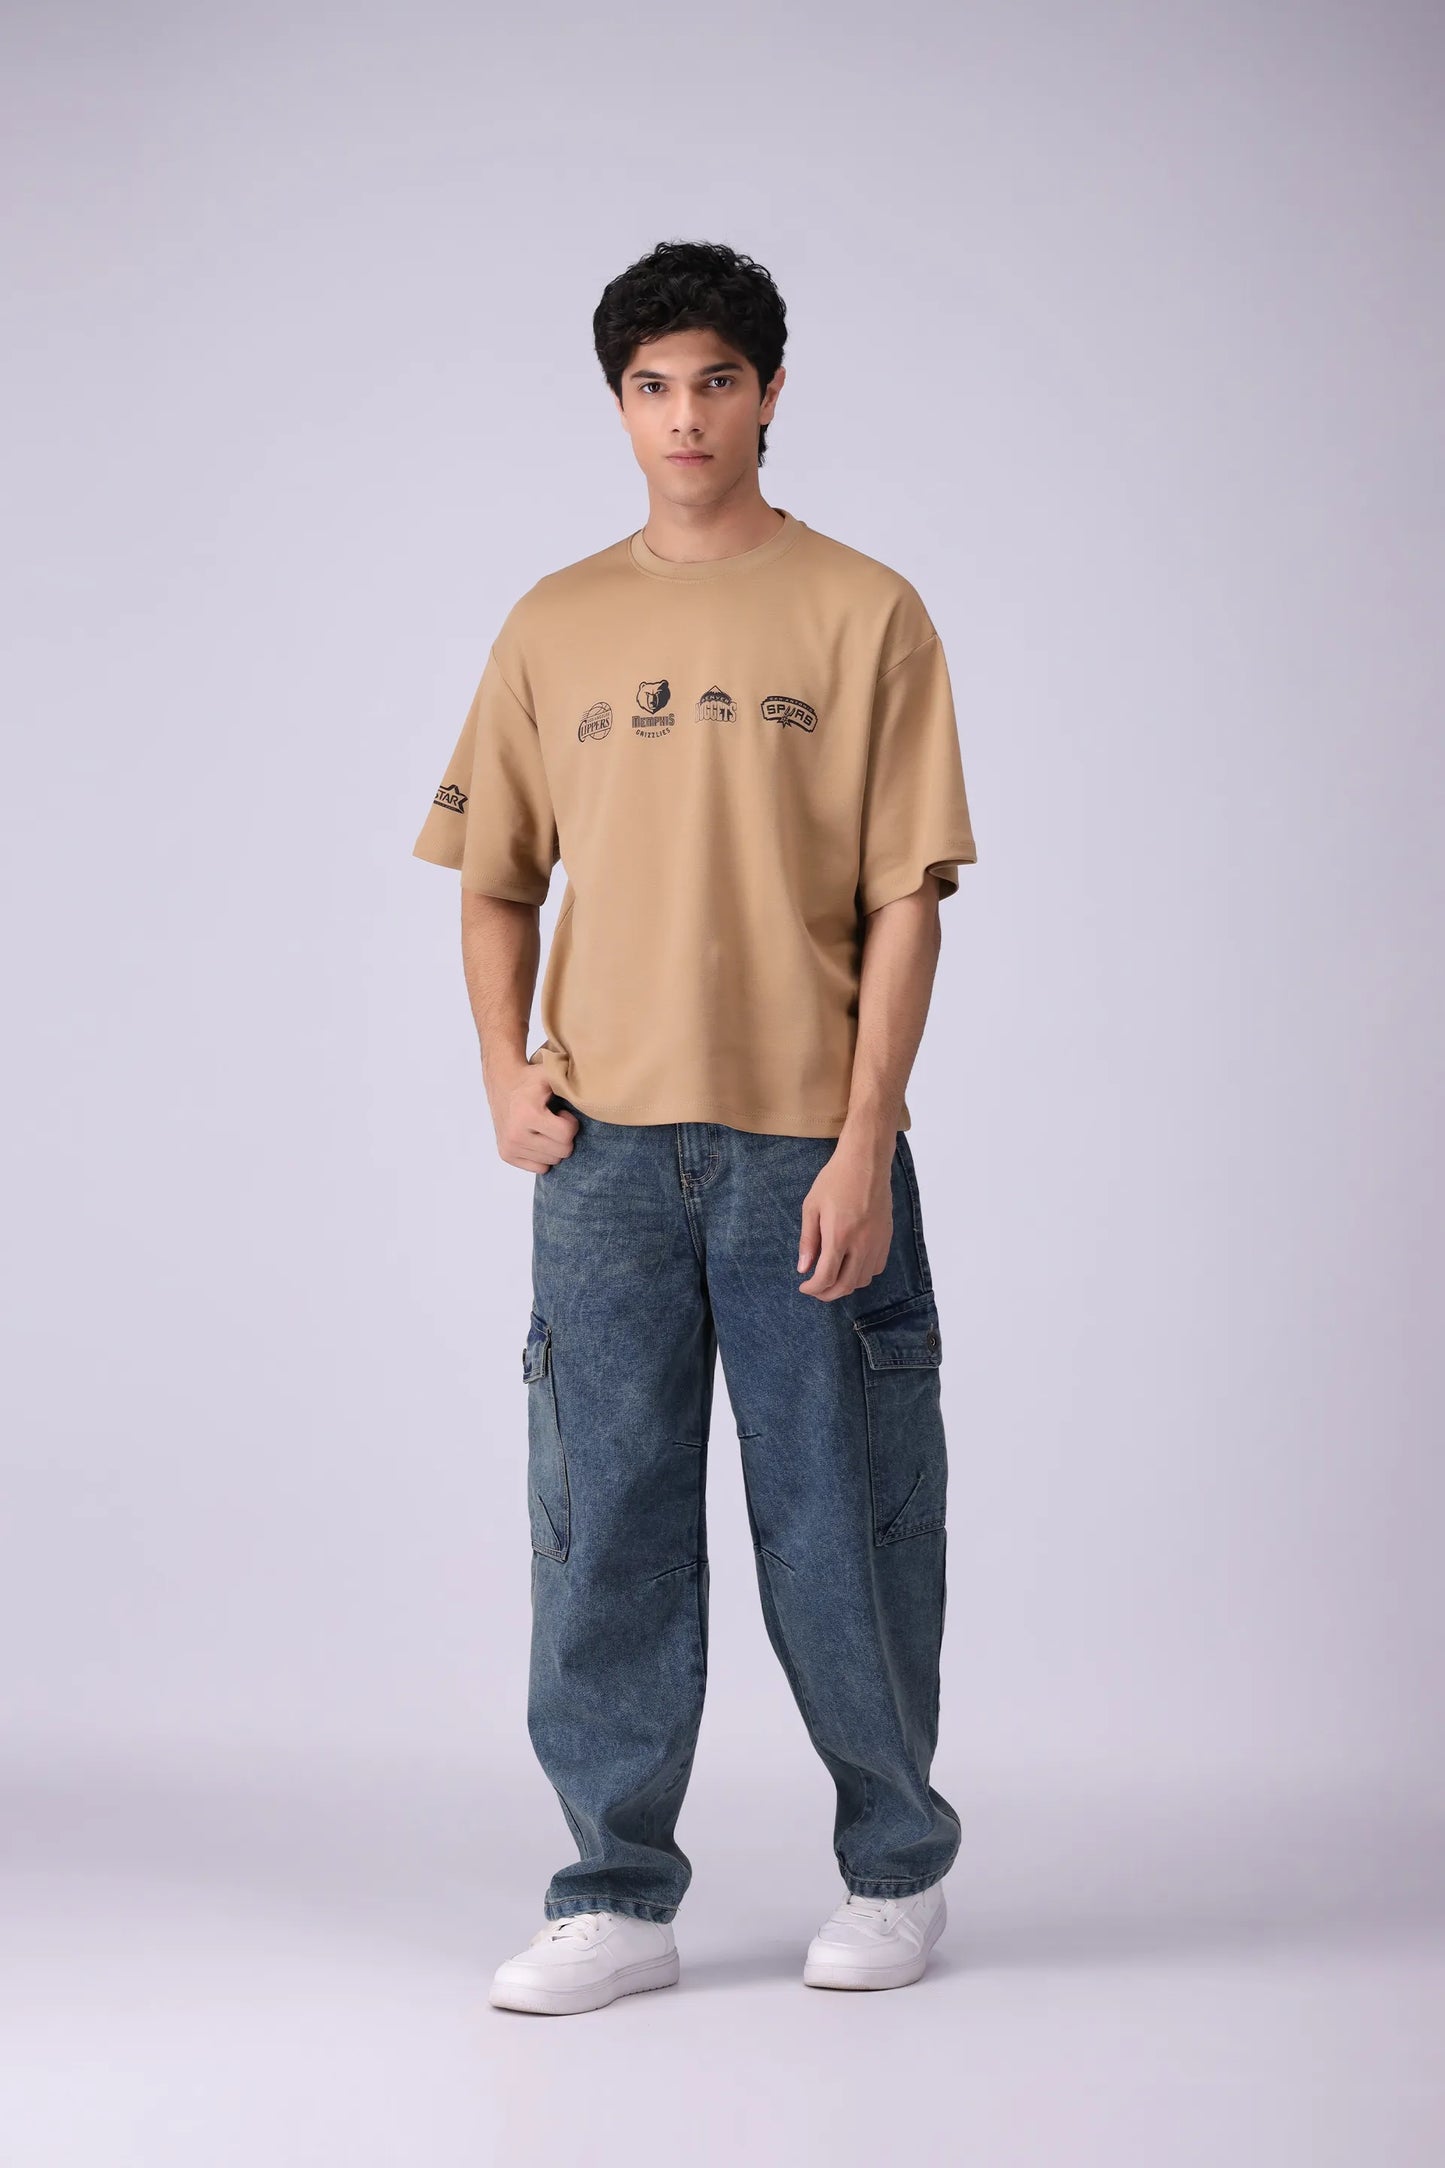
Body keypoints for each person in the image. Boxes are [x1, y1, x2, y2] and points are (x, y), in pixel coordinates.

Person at [411, 239, 978, 2015]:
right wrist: (501, 1070)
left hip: (802, 1143)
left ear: (769, 392)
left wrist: (865, 1141)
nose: (684, 416)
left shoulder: (863, 610)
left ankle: (892, 1869)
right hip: (602, 1161)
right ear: (617, 405)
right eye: (652, 386)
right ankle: (613, 1893)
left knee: (843, 1523)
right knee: (605, 1529)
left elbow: (906, 897)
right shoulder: (553, 621)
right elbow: (492, 878)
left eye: (716, 381)